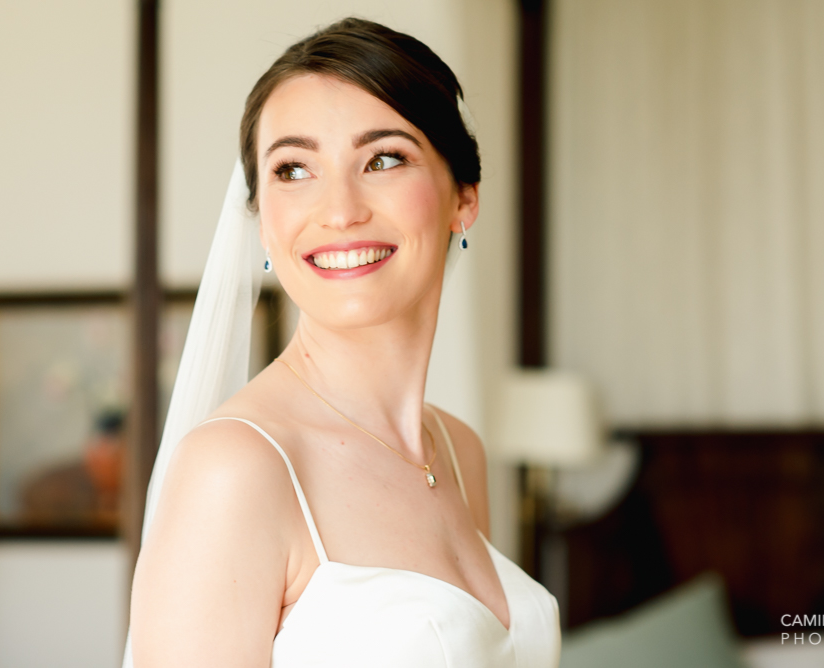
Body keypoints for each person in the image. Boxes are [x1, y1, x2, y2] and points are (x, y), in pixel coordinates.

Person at [125, 18, 561, 667]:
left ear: (463, 197)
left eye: (383, 159)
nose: (339, 210)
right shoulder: (235, 470)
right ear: (262, 222)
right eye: (294, 169)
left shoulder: (458, 450)